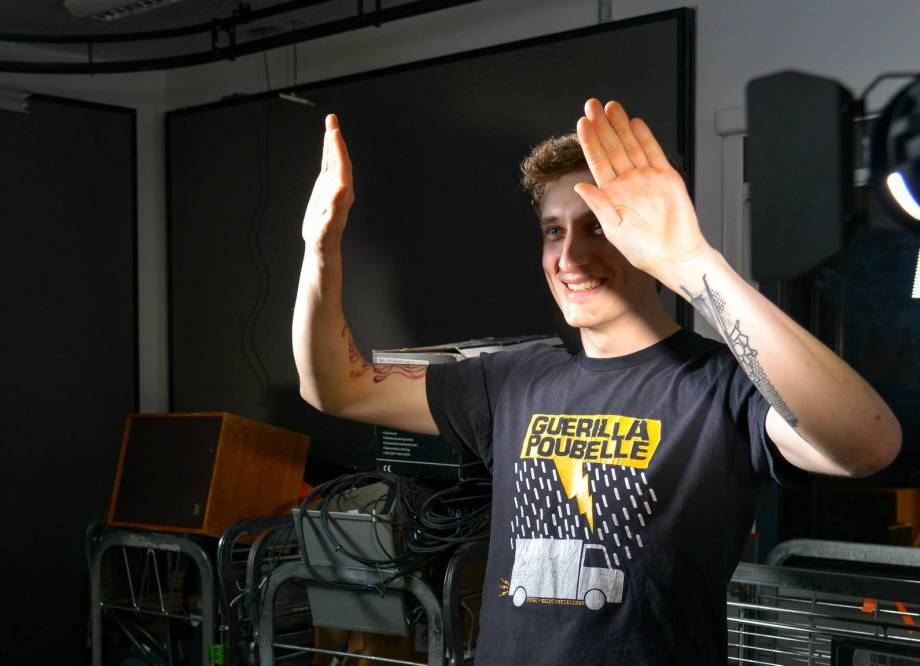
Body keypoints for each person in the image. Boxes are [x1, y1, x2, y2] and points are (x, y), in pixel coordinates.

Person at [292, 99, 902, 664]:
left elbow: (868, 443)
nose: (569, 258)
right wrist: (322, 251)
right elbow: (337, 385)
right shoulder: (513, 380)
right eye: (554, 230)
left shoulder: (720, 386)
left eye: (598, 228)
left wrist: (692, 260)